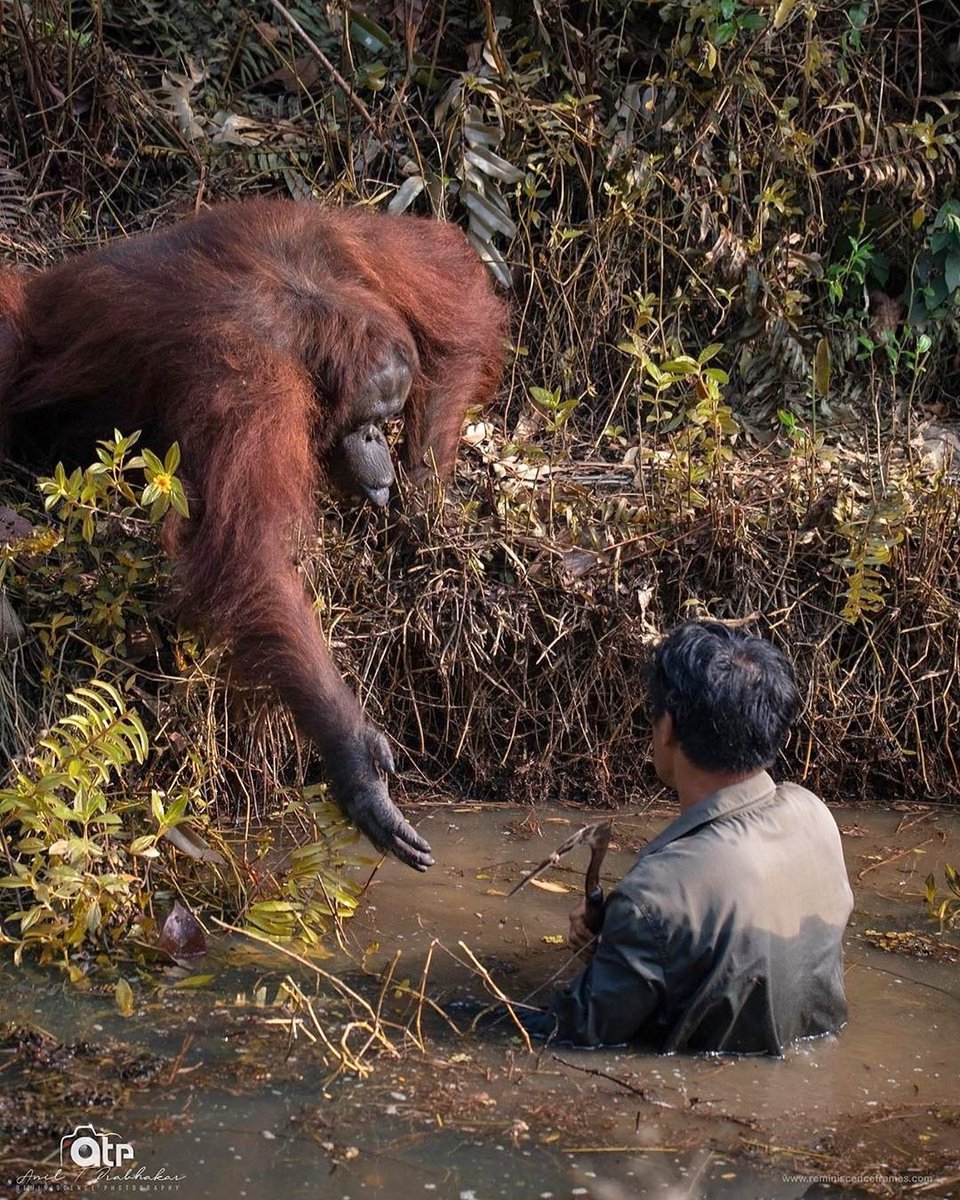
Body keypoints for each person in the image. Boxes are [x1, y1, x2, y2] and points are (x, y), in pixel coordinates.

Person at [522, 620, 854, 1055]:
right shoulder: (814, 814)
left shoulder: (659, 895)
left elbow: (574, 1036)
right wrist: (621, 942)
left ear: (668, 728)